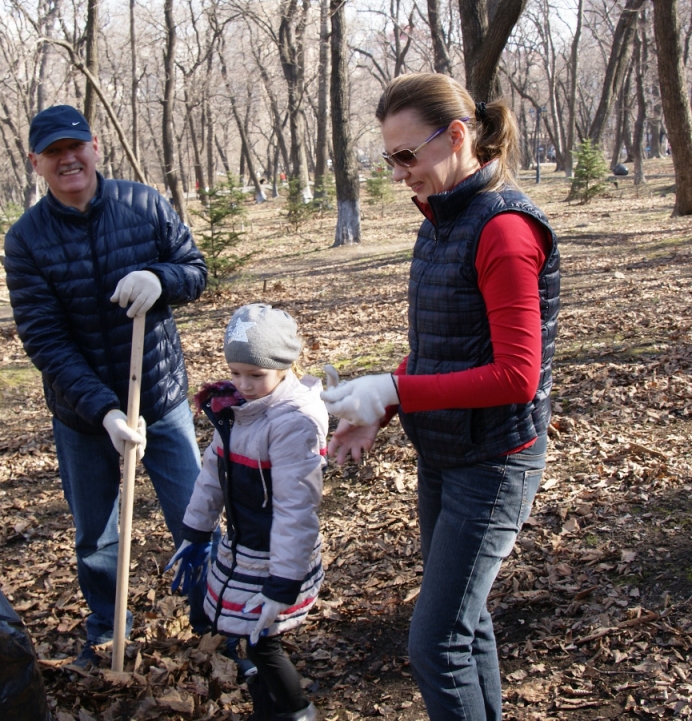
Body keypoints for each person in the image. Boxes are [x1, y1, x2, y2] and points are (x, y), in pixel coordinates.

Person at [323, 72, 560, 720]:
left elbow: (517, 374)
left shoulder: (504, 231)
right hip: (446, 453)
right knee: (465, 622)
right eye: (389, 158)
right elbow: (445, 349)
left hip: (494, 464)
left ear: (457, 136)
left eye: (407, 155)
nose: (399, 172)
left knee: (436, 645)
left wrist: (393, 387)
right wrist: (384, 407)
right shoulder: (440, 221)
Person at [4, 104, 211, 667]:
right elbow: (44, 339)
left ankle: (213, 621)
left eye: (76, 146)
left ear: (95, 147)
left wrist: (161, 278)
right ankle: (105, 630)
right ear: (37, 164)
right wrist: (104, 413)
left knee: (193, 515)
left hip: (161, 396)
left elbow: (195, 270)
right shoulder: (26, 239)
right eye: (53, 153)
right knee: (96, 532)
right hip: (83, 415)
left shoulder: (144, 204)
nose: (68, 159)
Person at [167, 304, 326, 721]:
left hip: (275, 555)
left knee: (261, 641)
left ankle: (296, 711)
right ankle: (266, 709)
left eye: (256, 375)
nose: (243, 384)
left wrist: (283, 582)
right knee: (243, 637)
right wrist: (196, 530)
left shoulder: (292, 422)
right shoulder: (236, 410)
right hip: (243, 546)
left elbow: (297, 508)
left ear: (285, 366)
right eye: (236, 372)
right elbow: (212, 474)